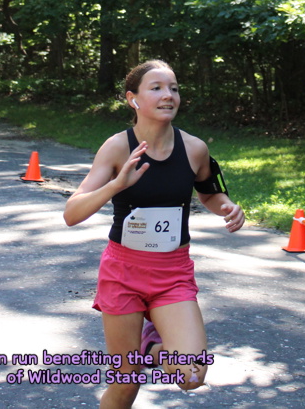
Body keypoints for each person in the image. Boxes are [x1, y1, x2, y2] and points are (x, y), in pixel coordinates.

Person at [64, 59, 244, 409]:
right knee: (126, 382)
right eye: (157, 88)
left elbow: (210, 192)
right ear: (133, 99)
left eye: (173, 88)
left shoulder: (195, 148)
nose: (168, 95)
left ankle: (152, 348)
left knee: (192, 374)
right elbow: (72, 213)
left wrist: (227, 206)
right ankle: (145, 353)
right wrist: (116, 184)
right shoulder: (117, 147)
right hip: (123, 272)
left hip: (172, 272)